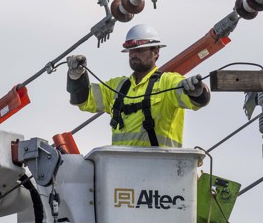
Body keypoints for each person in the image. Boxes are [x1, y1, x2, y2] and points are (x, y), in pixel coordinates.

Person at [65, 24, 210, 147]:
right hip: (121, 172)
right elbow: (84, 100)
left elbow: (194, 98)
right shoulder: (117, 87)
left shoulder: (168, 82)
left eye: (140, 50)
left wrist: (197, 90)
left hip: (162, 172)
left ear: (156, 53)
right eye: (131, 51)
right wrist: (76, 76)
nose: (134, 54)